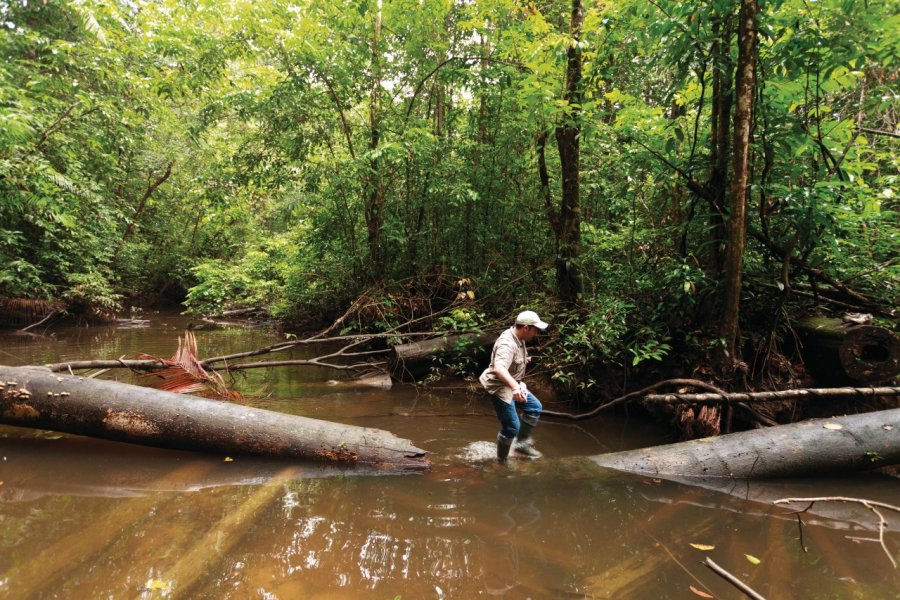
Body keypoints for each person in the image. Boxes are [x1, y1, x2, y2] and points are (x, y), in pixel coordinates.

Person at [479, 310, 548, 462]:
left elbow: (510, 360)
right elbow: (499, 368)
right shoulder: (507, 343)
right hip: (499, 386)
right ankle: (501, 461)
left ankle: (521, 446)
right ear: (526, 328)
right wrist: (515, 388)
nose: (536, 333)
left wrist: (523, 360)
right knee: (511, 427)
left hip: (512, 382)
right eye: (535, 329)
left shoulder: (519, 337)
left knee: (534, 408)